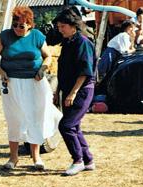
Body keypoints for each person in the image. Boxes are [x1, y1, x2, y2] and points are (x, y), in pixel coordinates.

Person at [0, 6, 62, 171]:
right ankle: (13, 158)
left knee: (36, 116)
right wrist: (2, 72)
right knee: (14, 118)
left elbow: (47, 55)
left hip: (34, 82)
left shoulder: (37, 36)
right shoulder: (5, 37)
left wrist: (42, 69)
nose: (17, 28)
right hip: (12, 83)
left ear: (29, 24)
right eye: (14, 24)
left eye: (21, 25)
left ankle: (36, 157)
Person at [54, 8, 95, 176]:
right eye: (59, 26)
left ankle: (77, 160)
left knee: (66, 125)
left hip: (82, 90)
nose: (60, 29)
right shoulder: (68, 42)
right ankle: (88, 160)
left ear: (73, 26)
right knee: (75, 126)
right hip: (68, 89)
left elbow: (84, 72)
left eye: (63, 26)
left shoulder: (83, 43)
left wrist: (73, 93)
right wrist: (58, 91)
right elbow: (62, 71)